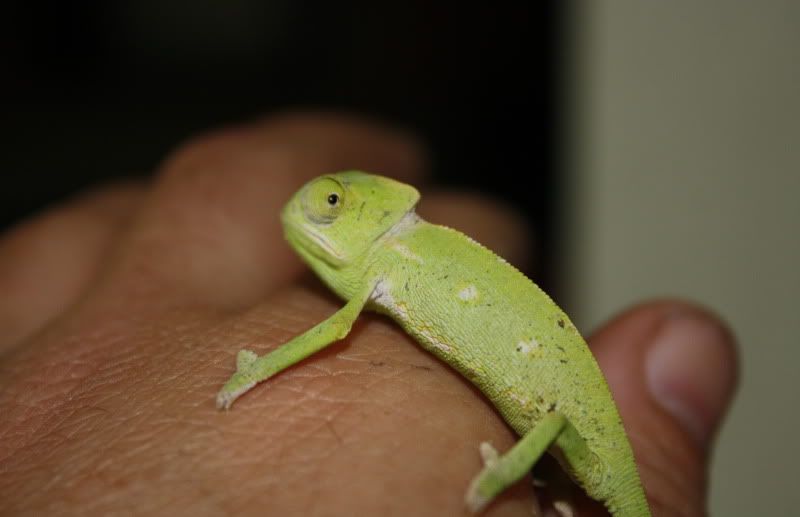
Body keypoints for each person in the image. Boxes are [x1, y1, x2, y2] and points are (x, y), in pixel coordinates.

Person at [0, 114, 737, 515]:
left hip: (564, 421)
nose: (310, 215)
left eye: (331, 204)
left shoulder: (397, 256)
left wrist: (254, 370)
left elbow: (333, 329)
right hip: (559, 420)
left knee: (557, 432)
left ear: (367, 216)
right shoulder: (395, 259)